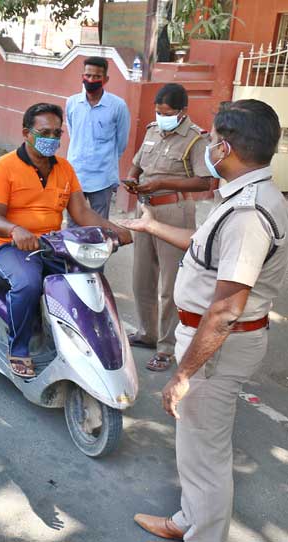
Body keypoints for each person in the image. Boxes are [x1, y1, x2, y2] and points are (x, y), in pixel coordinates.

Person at [124, 99, 288, 542]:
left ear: (227, 148)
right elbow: (203, 245)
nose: (209, 147)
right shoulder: (244, 197)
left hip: (217, 344)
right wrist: (152, 226)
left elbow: (225, 309)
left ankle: (204, 532)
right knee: (195, 445)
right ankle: (188, 520)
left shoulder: (248, 214)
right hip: (216, 339)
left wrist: (183, 374)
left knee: (207, 454)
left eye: (213, 140)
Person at [0, 102, 132, 377]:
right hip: (8, 245)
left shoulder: (65, 169)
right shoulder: (4, 167)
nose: (51, 139)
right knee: (28, 283)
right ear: (26, 133)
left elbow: (82, 212)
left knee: (88, 277)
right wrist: (15, 230)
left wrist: (115, 229)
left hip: (53, 245)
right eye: (44, 132)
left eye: (56, 133)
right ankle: (18, 348)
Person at [125, 83, 214, 372]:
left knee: (170, 285)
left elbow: (204, 181)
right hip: (146, 209)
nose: (161, 116)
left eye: (167, 112)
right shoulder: (152, 130)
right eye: (158, 111)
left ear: (183, 111)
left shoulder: (195, 139)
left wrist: (163, 183)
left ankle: (166, 347)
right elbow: (137, 164)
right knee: (142, 278)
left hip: (174, 211)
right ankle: (147, 332)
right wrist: (131, 178)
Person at [65, 56, 130, 224]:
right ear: (82, 76)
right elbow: (74, 134)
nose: (91, 80)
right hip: (76, 173)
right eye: (88, 75)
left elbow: (121, 143)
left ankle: (97, 251)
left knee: (99, 225)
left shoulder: (118, 106)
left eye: (96, 77)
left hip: (102, 177)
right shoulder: (72, 103)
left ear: (105, 79)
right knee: (73, 223)